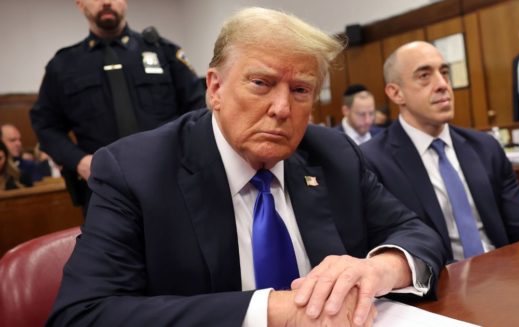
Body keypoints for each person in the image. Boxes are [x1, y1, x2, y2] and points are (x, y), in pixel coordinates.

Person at [47, 8, 446, 326]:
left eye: (300, 90)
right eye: (260, 83)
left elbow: (417, 234)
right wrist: (272, 312)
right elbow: (83, 313)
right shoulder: (135, 170)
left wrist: (380, 269)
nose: (281, 108)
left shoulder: (333, 152)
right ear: (215, 88)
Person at [360, 41, 519, 262]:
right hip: (439, 285)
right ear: (396, 93)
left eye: (444, 72)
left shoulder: (485, 147)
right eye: (424, 76)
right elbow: (391, 251)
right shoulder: (371, 161)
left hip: (504, 273)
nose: (442, 84)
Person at [30, 0, 205, 209]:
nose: (106, 2)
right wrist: (80, 161)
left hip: (171, 181)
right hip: (105, 190)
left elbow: (198, 109)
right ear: (79, 4)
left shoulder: (163, 52)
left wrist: (183, 155)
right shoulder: (63, 66)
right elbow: (45, 124)